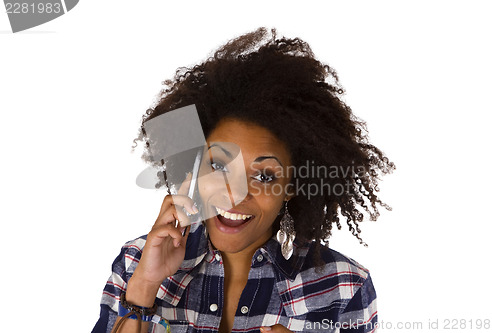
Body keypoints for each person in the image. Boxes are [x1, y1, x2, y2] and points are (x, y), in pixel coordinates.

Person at [92, 27, 395, 333]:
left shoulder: (343, 287)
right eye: (220, 166)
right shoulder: (136, 262)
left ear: (290, 187)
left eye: (264, 176)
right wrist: (144, 285)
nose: (234, 194)